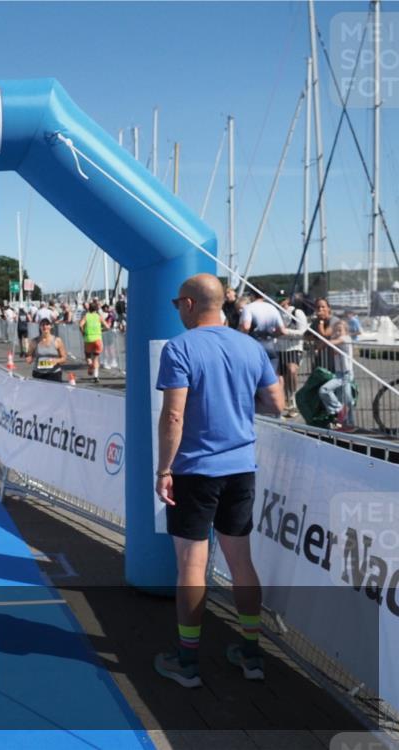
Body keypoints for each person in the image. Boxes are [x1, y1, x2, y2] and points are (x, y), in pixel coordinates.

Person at [154, 273, 284, 688]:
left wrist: (163, 469)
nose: (177, 311)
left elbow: (173, 415)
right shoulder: (251, 346)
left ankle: (188, 660)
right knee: (241, 563)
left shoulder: (180, 348)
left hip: (195, 470)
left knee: (191, 566)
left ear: (190, 304)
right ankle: (251, 653)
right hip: (241, 467)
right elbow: (276, 404)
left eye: (177, 304)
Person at [318, 319, 355, 430]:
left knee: (324, 390)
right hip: (340, 373)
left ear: (346, 331)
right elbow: (326, 346)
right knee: (345, 399)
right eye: (336, 331)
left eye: (340, 330)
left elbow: (329, 343)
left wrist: (324, 339)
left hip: (346, 374)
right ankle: (347, 423)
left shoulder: (346, 338)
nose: (338, 333)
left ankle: (340, 412)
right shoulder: (337, 341)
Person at [276, 297, 309, 417]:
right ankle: (284, 403)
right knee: (280, 377)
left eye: (282, 299)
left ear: (287, 300)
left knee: (292, 370)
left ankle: (293, 398)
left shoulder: (297, 313)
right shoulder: (276, 312)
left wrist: (286, 332)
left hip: (294, 348)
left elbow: (303, 332)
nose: (280, 302)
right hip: (280, 348)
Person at [238, 293, 287, 372]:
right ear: (264, 295)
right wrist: (272, 335)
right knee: (272, 377)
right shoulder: (272, 308)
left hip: (254, 346)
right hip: (270, 345)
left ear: (252, 296)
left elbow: (246, 327)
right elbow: (283, 331)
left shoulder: (249, 308)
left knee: (255, 375)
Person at [308, 298, 337, 372]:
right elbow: (306, 335)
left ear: (328, 308)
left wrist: (321, 321)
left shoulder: (334, 320)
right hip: (320, 357)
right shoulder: (315, 322)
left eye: (323, 307)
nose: (320, 309)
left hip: (334, 358)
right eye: (318, 307)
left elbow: (325, 334)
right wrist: (315, 338)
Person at [79, 301, 104, 382]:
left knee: (88, 356)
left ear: (89, 308)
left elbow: (80, 325)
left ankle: (90, 364)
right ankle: (96, 376)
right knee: (96, 358)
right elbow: (107, 326)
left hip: (88, 338)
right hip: (98, 339)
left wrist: (83, 332)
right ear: (96, 309)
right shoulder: (98, 316)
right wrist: (101, 330)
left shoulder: (86, 316)